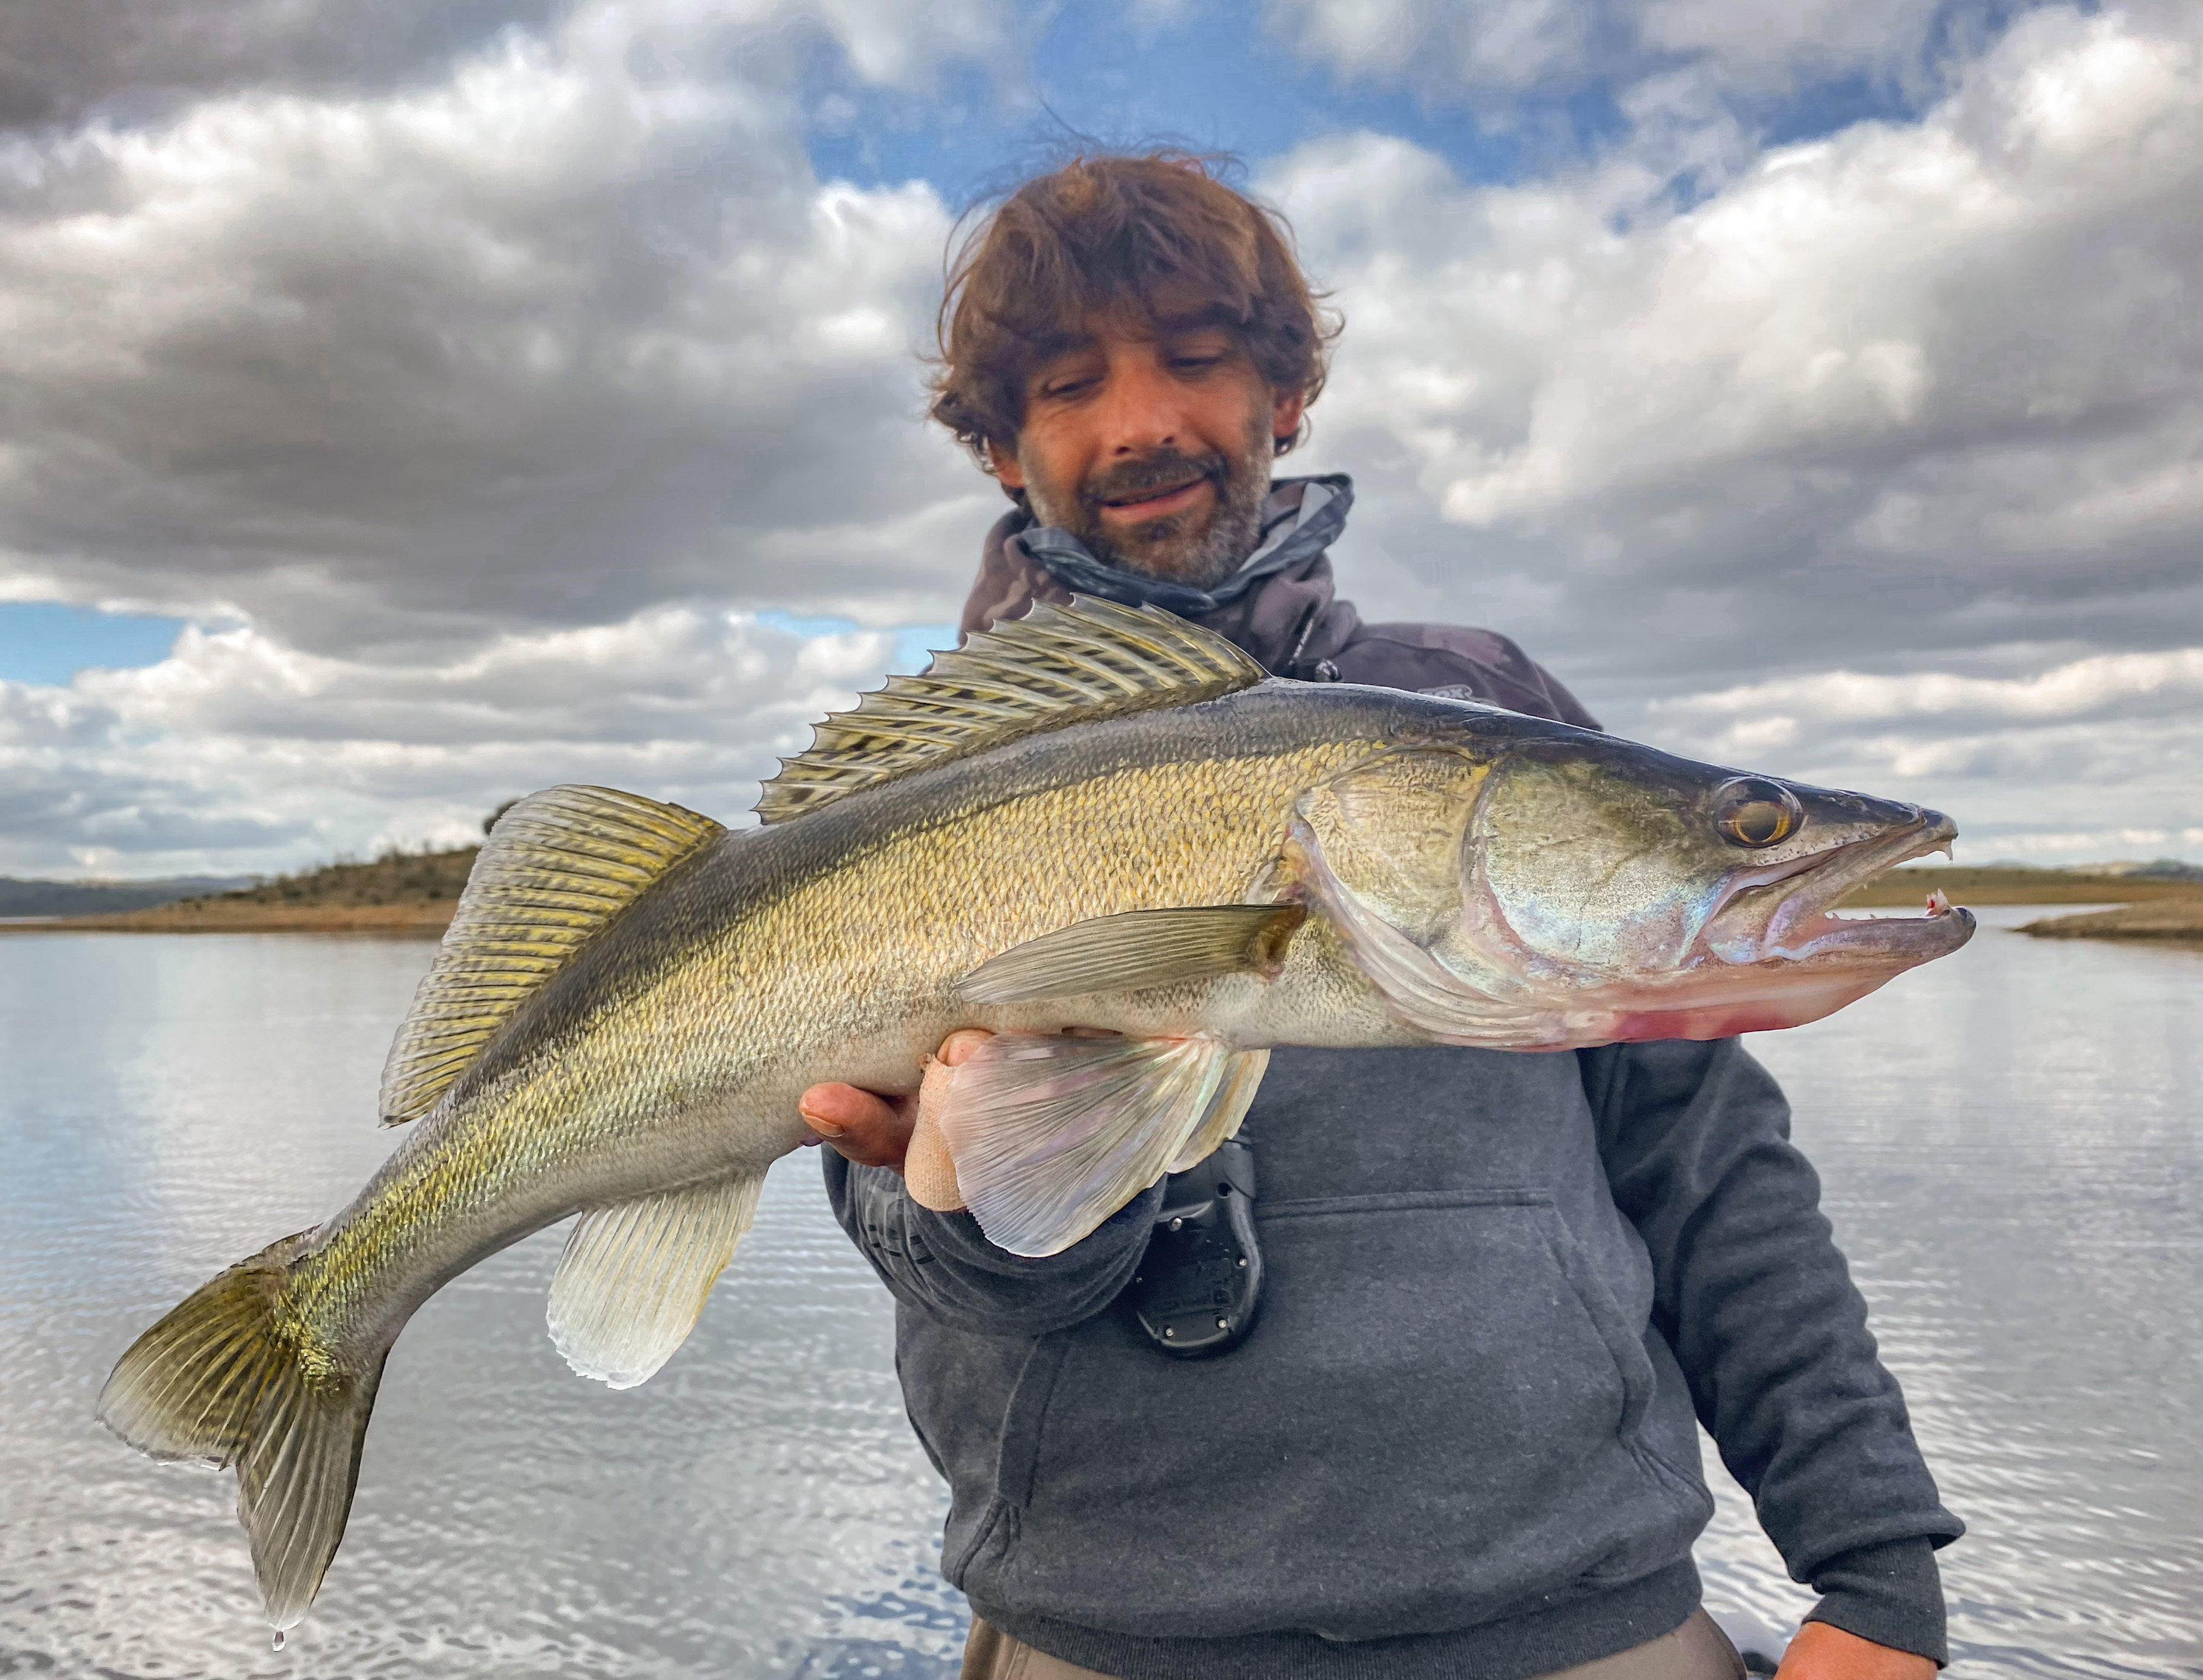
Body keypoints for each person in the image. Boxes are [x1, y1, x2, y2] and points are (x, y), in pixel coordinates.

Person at [793, 153, 1960, 1680]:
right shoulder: (941, 779)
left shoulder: (1484, 704)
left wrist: (1872, 1571)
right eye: (1071, 384)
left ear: (1285, 399)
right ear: (1004, 451)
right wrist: (986, 1209)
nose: (1145, 421)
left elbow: (1708, 1165)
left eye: (1200, 360)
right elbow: (949, 1256)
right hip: (1104, 1636)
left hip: (1581, 1621)